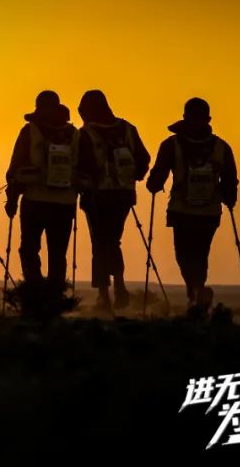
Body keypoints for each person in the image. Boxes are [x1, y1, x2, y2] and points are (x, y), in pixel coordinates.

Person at [146, 97, 238, 315]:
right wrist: (230, 199)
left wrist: (153, 185)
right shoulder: (221, 147)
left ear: (185, 117)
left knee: (185, 255)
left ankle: (194, 294)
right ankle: (197, 293)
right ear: (208, 119)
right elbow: (230, 179)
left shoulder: (171, 145)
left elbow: (157, 177)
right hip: (208, 211)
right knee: (199, 254)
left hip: (182, 210)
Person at [76, 90, 151, 312]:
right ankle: (118, 288)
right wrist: (132, 176)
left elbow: (79, 164)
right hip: (123, 194)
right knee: (112, 240)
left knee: (100, 242)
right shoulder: (128, 129)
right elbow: (143, 158)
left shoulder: (85, 134)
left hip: (96, 195)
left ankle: (105, 294)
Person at [5, 91, 79, 306]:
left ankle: (35, 292)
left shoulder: (29, 132)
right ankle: (55, 296)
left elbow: (16, 166)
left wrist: (11, 198)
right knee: (58, 253)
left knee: (29, 249)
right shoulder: (74, 134)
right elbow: (83, 166)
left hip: (35, 201)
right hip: (64, 204)